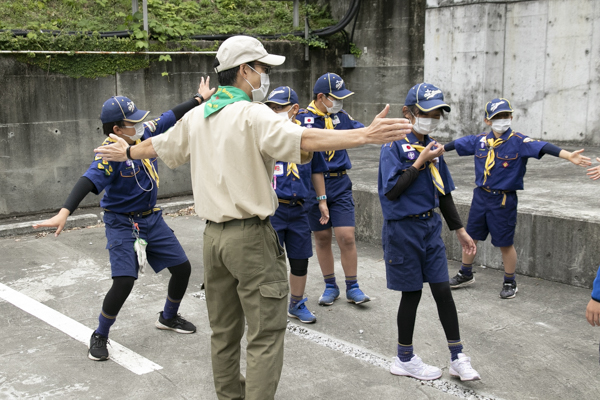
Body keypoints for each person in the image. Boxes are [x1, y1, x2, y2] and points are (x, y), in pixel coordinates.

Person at [93, 35, 412, 400]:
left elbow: (157, 146)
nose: (265, 76)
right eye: (262, 69)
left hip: (213, 240)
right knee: (264, 335)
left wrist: (128, 152)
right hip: (251, 238)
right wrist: (364, 136)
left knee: (224, 334)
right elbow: (304, 139)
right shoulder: (253, 113)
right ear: (244, 70)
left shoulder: (200, 115)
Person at [32, 79, 215, 361]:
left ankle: (168, 317)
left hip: (151, 220)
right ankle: (100, 333)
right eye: (134, 122)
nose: (142, 124)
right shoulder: (110, 154)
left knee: (182, 268)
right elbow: (87, 181)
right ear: (117, 129)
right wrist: (65, 212)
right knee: (124, 281)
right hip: (122, 223)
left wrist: (198, 98)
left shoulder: (141, 136)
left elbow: (170, 115)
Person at [378, 82, 480, 381]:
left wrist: (459, 230)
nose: (432, 118)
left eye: (437, 113)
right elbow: (392, 191)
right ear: (408, 112)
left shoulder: (434, 146)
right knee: (411, 294)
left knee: (442, 290)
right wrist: (419, 163)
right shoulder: (393, 146)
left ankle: (457, 356)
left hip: (429, 227)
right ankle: (404, 357)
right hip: (402, 229)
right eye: (427, 112)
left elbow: (444, 192)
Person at [444, 98, 591, 299]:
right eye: (497, 117)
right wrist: (436, 150)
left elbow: (544, 146)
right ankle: (466, 273)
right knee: (471, 238)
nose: (502, 120)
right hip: (480, 197)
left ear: (511, 117)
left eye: (505, 116)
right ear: (488, 120)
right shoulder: (480, 141)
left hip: (503, 200)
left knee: (505, 243)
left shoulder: (519, 141)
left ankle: (510, 281)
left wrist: (568, 156)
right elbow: (455, 144)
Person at [299, 72, 370, 307]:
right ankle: (330, 285)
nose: (339, 103)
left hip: (340, 183)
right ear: (321, 97)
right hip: (313, 185)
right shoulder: (302, 120)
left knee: (346, 236)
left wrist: (380, 130)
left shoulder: (341, 117)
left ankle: (353, 286)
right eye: (335, 98)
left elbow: (362, 132)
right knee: (321, 236)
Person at [265, 86, 329, 324]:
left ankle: (296, 303)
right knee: (269, 261)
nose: (274, 111)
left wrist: (322, 201)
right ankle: (267, 305)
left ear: (294, 109)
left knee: (300, 259)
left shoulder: (307, 137)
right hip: (273, 209)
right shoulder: (267, 136)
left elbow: (317, 171)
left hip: (300, 208)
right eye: (271, 107)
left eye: (279, 107)